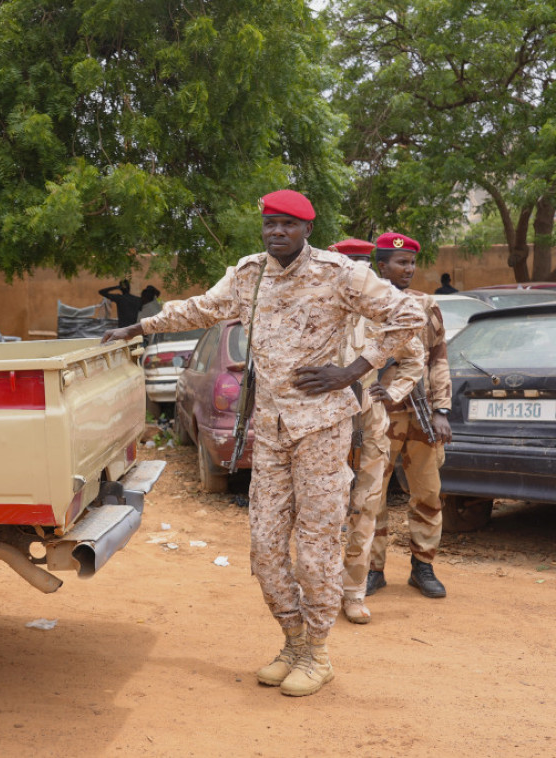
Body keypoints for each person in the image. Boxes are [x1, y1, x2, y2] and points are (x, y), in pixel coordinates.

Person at [102, 190, 425, 696]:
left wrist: (352, 371)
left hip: (322, 427)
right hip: (270, 430)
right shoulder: (250, 275)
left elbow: (409, 317)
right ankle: (292, 641)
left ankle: (317, 653)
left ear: (307, 230)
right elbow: (202, 308)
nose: (277, 233)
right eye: (270, 224)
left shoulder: (340, 273)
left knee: (316, 549)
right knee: (265, 548)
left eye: (288, 225)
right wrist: (140, 326)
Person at [331, 239, 425, 625]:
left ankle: (353, 593)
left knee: (367, 506)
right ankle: (320, 589)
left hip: (370, 422)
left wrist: (392, 392)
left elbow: (414, 358)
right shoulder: (321, 309)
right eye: (349, 266)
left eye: (361, 267)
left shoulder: (384, 311)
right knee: (321, 510)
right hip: (326, 422)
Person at [366, 233, 452, 601]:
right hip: (377, 417)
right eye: (401, 263)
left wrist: (442, 410)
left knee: (428, 494)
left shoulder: (427, 305)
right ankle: (372, 569)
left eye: (412, 263)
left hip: (420, 416)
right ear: (381, 266)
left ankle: (423, 567)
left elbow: (438, 360)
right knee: (371, 496)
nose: (409, 269)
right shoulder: (364, 305)